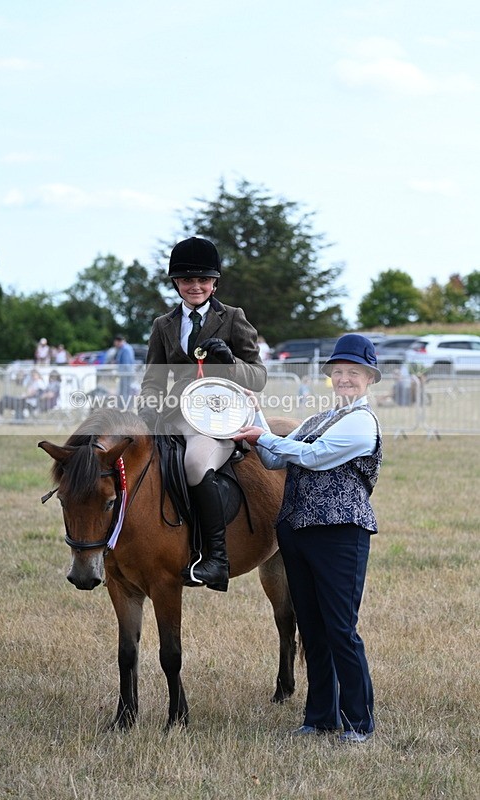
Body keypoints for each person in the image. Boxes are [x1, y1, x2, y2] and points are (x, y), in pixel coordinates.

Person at [234, 334, 383, 743]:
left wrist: (263, 437)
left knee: (340, 630)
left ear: (370, 377)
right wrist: (256, 414)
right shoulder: (319, 419)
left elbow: (313, 457)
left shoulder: (361, 422)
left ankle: (358, 722)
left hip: (340, 533)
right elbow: (273, 457)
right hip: (297, 532)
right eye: (338, 372)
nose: (345, 379)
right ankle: (320, 718)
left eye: (353, 372)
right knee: (313, 631)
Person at [137, 236, 266, 592]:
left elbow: (259, 376)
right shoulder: (163, 325)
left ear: (215, 282)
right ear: (176, 283)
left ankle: (216, 560)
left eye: (203, 280)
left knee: (195, 463)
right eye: (187, 280)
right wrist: (147, 411)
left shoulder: (233, 318)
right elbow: (152, 380)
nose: (195, 286)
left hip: (219, 418)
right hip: (174, 417)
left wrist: (230, 361)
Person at [112, 334, 135, 403]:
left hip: (125, 373)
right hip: (127, 373)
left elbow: (126, 364)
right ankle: (125, 405)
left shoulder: (125, 349)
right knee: (126, 390)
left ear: (118, 341)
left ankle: (125, 406)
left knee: (125, 391)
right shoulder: (127, 347)